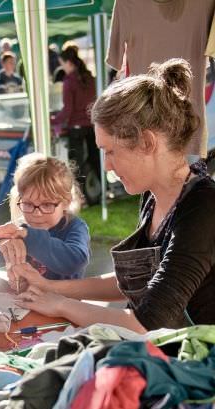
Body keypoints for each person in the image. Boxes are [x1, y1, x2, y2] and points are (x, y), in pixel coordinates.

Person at [15, 58, 215, 332]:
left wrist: (60, 304)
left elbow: (145, 323)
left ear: (146, 142)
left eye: (110, 151)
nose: (107, 166)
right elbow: (133, 282)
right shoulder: (154, 196)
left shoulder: (203, 209)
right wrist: (51, 287)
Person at [0, 153, 90, 291]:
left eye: (47, 205)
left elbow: (75, 261)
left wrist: (28, 237)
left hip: (62, 307)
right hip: (24, 304)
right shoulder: (21, 226)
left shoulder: (75, 227)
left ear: (66, 202)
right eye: (28, 204)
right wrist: (1, 244)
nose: (36, 213)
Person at [52, 45, 100, 199]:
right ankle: (98, 194)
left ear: (69, 63)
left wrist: (53, 120)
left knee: (76, 166)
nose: (62, 67)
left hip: (77, 128)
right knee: (95, 161)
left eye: (62, 63)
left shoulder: (69, 81)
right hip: (92, 126)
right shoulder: (90, 78)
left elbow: (68, 110)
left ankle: (80, 198)